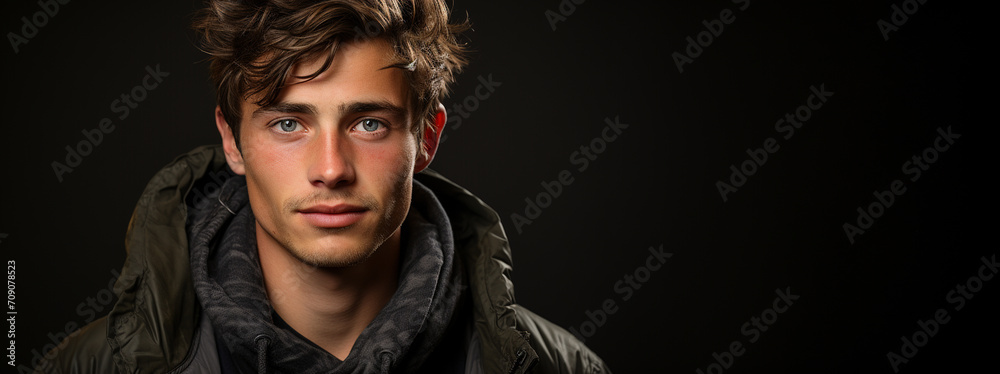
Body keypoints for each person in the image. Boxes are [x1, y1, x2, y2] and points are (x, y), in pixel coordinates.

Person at [39, 0, 611, 373]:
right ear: (233, 142)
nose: (331, 168)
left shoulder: (557, 368)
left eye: (369, 124)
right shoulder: (92, 366)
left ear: (426, 138)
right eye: (289, 124)